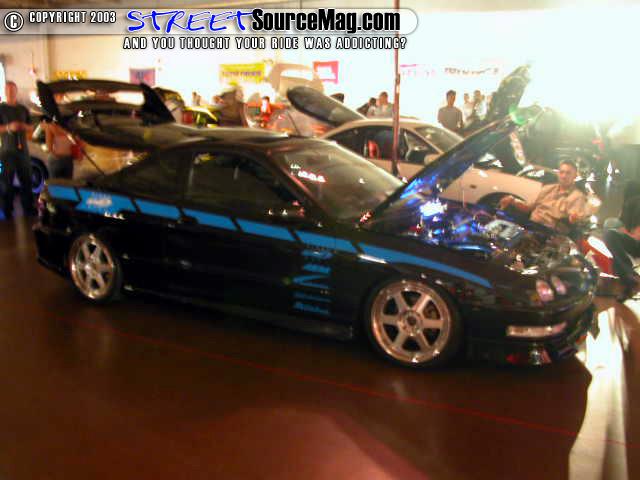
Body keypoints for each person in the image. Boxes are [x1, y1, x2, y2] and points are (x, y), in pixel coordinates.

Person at [499, 159, 587, 231]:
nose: (564, 176)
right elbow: (528, 207)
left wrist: (573, 219)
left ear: (575, 176)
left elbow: (575, 220)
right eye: (562, 172)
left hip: (549, 232)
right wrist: (513, 200)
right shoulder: (548, 188)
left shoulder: (577, 196)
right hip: (530, 225)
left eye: (568, 173)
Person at [0, 81, 35, 219]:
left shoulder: (23, 109)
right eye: (8, 90)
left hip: (23, 152)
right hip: (6, 152)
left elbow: (32, 127)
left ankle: (29, 209)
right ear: (5, 92)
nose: (10, 92)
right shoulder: (1, 109)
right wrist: (9, 127)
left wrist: (24, 127)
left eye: (12, 90)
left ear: (16, 91)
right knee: (6, 182)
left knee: (27, 180)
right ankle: (7, 210)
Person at [603, 195, 640, 298]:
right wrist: (627, 232)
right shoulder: (634, 201)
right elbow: (622, 223)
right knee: (610, 234)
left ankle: (628, 282)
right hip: (635, 241)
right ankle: (629, 275)